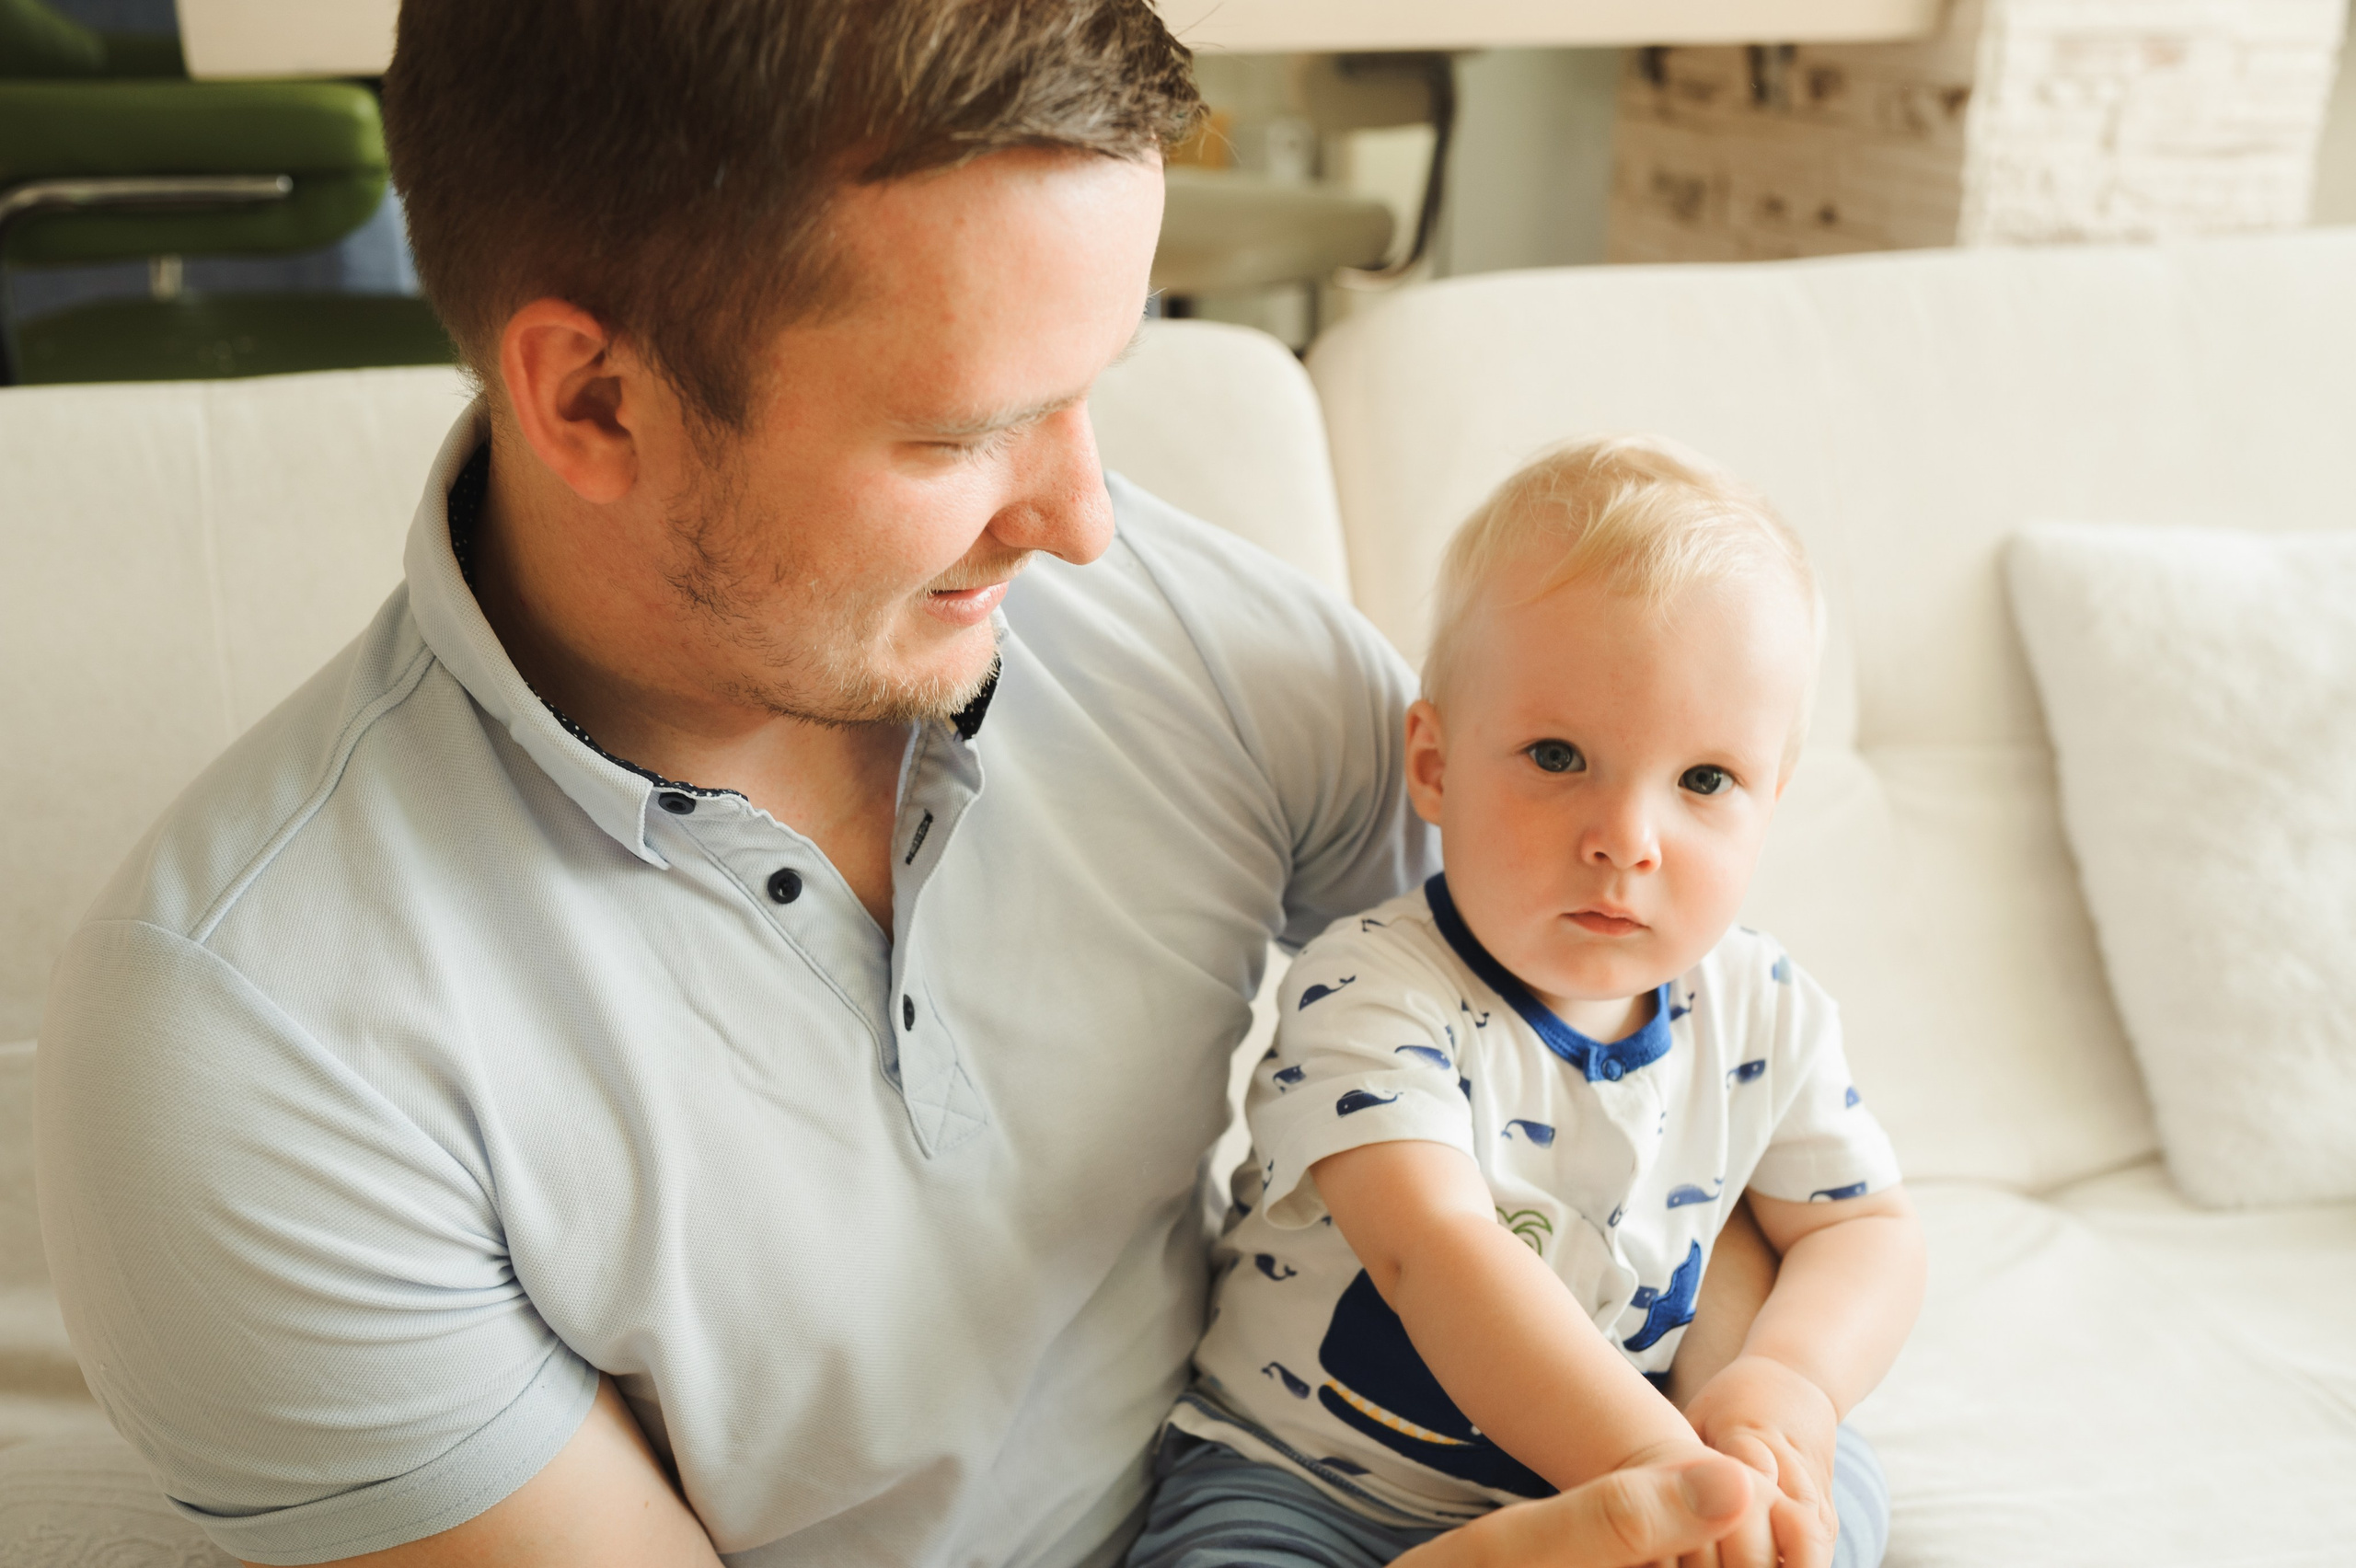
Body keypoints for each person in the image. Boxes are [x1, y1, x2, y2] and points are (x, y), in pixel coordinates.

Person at [36, 6, 1778, 1565]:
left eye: (1096, 390)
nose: (1081, 518)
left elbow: (1673, 1061)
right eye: (961, 434)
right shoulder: (249, 1047)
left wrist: (1740, 1442)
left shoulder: (1182, 635)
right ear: (592, 397)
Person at [1146, 439, 1929, 1568]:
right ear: (1436, 762)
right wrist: (1652, 1473)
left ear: (1772, 800)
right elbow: (1434, 1251)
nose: (1626, 838)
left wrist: (1783, 1384)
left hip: (1655, 1441)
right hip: (1320, 1487)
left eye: (1704, 781)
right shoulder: (1370, 989)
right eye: (1557, 756)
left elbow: (1862, 1227)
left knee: (1818, 1494)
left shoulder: (1765, 1008)